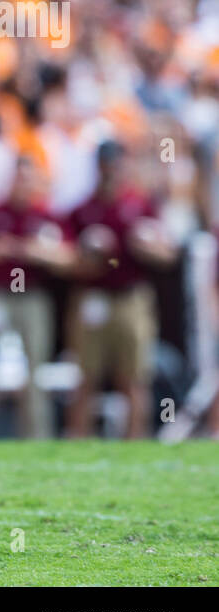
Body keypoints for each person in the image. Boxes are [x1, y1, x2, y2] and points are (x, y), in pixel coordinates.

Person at [65, 140, 177, 438]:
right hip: (94, 297)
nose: (111, 171)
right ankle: (79, 445)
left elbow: (168, 255)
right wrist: (90, 256)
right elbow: (68, 263)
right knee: (87, 377)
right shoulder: (84, 209)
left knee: (133, 379)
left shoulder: (139, 205)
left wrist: (146, 247)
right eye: (105, 165)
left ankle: (134, 447)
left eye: (115, 164)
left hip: (132, 298)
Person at [0, 153, 74, 438]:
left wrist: (38, 251)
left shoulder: (45, 217)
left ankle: (37, 436)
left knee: (35, 368)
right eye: (19, 178)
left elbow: (67, 257)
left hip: (32, 297)